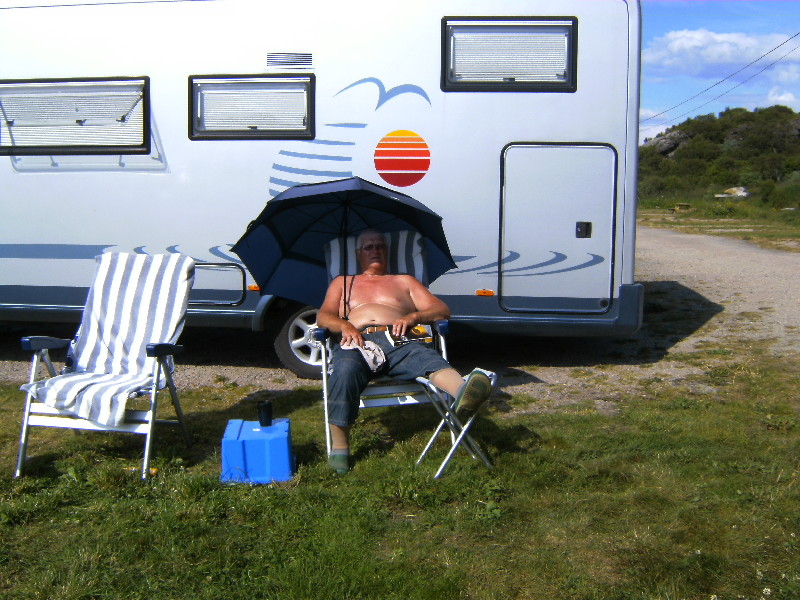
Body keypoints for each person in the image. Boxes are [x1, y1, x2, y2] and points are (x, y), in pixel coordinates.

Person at [317, 229, 492, 474]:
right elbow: (324, 316)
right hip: (357, 339)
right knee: (344, 369)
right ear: (358, 254)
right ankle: (340, 448)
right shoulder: (343, 282)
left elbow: (441, 310)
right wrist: (344, 325)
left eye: (380, 246)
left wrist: (414, 316)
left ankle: (465, 393)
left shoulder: (404, 281)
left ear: (387, 251)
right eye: (369, 247)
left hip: (399, 338)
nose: (375, 250)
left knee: (425, 357)